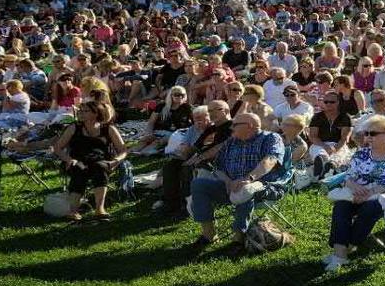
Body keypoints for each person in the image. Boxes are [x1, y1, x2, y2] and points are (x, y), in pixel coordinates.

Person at [187, 112, 286, 253]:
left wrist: (249, 178)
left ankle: (238, 238)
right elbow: (218, 167)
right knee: (199, 184)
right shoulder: (231, 142)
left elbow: (270, 160)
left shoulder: (270, 138)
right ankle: (209, 235)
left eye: (235, 125)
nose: (231, 128)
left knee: (245, 189)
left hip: (263, 186)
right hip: (231, 186)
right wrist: (227, 181)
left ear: (250, 126)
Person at [324, 115, 385, 272]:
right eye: (366, 133)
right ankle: (340, 254)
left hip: (381, 196)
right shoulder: (361, 153)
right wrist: (354, 186)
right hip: (355, 193)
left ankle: (346, 248)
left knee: (369, 209)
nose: (368, 137)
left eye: (373, 134)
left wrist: (369, 193)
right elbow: (349, 175)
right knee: (341, 207)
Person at [51, 101, 127, 223]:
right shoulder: (74, 127)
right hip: (78, 160)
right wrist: (69, 159)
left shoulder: (108, 128)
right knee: (79, 169)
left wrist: (115, 161)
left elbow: (123, 150)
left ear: (96, 113)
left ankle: (99, 209)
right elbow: (57, 148)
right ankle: (73, 210)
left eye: (85, 111)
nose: (81, 113)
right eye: (80, 110)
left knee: (100, 167)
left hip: (101, 161)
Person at [134, 86, 193, 155]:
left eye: (182, 95)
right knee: (145, 141)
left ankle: (145, 152)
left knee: (160, 140)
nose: (179, 97)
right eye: (176, 95)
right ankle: (130, 152)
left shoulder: (187, 108)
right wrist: (149, 133)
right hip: (159, 131)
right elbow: (151, 122)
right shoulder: (162, 106)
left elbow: (194, 122)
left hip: (175, 134)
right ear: (171, 95)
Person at [307, 90, 353, 178]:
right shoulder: (317, 117)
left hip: (338, 144)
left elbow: (344, 138)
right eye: (326, 102)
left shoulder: (345, 117)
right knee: (320, 153)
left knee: (338, 155)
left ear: (338, 103)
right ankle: (324, 165)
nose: (328, 104)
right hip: (320, 144)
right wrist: (325, 146)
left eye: (332, 102)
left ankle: (330, 166)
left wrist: (335, 148)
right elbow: (313, 136)